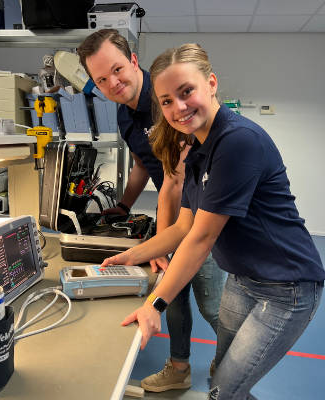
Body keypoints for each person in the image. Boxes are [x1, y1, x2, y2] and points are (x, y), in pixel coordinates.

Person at [101, 43, 325, 399]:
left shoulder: (237, 142)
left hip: (288, 287)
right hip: (243, 278)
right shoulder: (197, 148)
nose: (178, 107)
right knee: (223, 376)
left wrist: (155, 303)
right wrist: (131, 256)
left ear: (211, 83)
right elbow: (182, 228)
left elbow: (201, 238)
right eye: (167, 101)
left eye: (186, 91)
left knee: (224, 390)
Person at [77, 30, 226, 392]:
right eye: (101, 79)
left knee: (212, 305)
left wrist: (161, 242)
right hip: (175, 213)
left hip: (202, 213)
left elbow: (175, 180)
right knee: (172, 297)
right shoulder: (124, 115)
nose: (113, 83)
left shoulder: (166, 100)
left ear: (133, 60)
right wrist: (124, 204)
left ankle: (231, 366)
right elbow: (145, 164)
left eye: (117, 69)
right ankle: (179, 367)